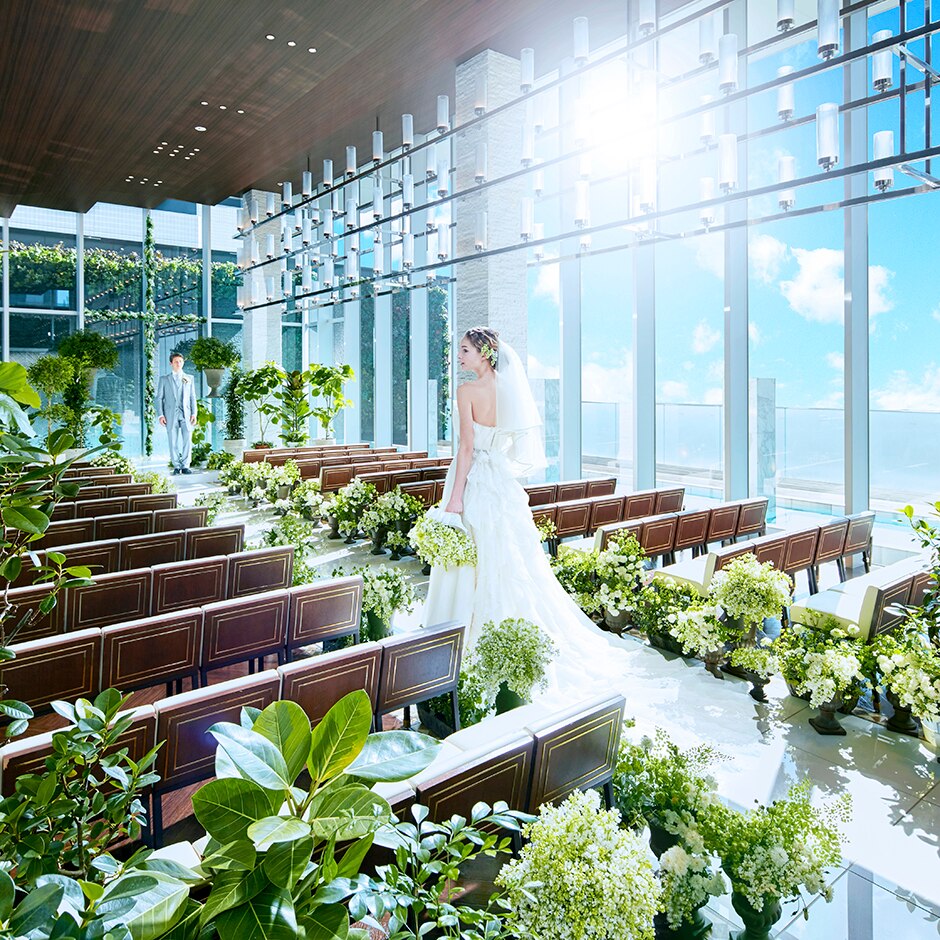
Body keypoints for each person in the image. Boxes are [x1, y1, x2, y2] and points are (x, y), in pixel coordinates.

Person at [424, 327, 638, 696]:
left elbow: (467, 450)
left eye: (464, 351)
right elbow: (507, 445)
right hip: (502, 483)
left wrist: (455, 497)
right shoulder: (510, 391)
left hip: (475, 480)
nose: (459, 357)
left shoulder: (466, 391)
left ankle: (464, 633)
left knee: (474, 555)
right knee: (505, 557)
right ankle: (510, 636)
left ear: (484, 353)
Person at [157, 352, 197, 474]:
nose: (178, 363)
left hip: (186, 414)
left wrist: (194, 413)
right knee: (172, 440)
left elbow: (192, 397)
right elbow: (159, 398)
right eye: (176, 361)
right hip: (170, 415)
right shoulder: (164, 379)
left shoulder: (189, 378)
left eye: (180, 361)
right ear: (171, 363)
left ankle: (185, 465)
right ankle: (176, 466)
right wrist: (161, 415)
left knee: (187, 440)